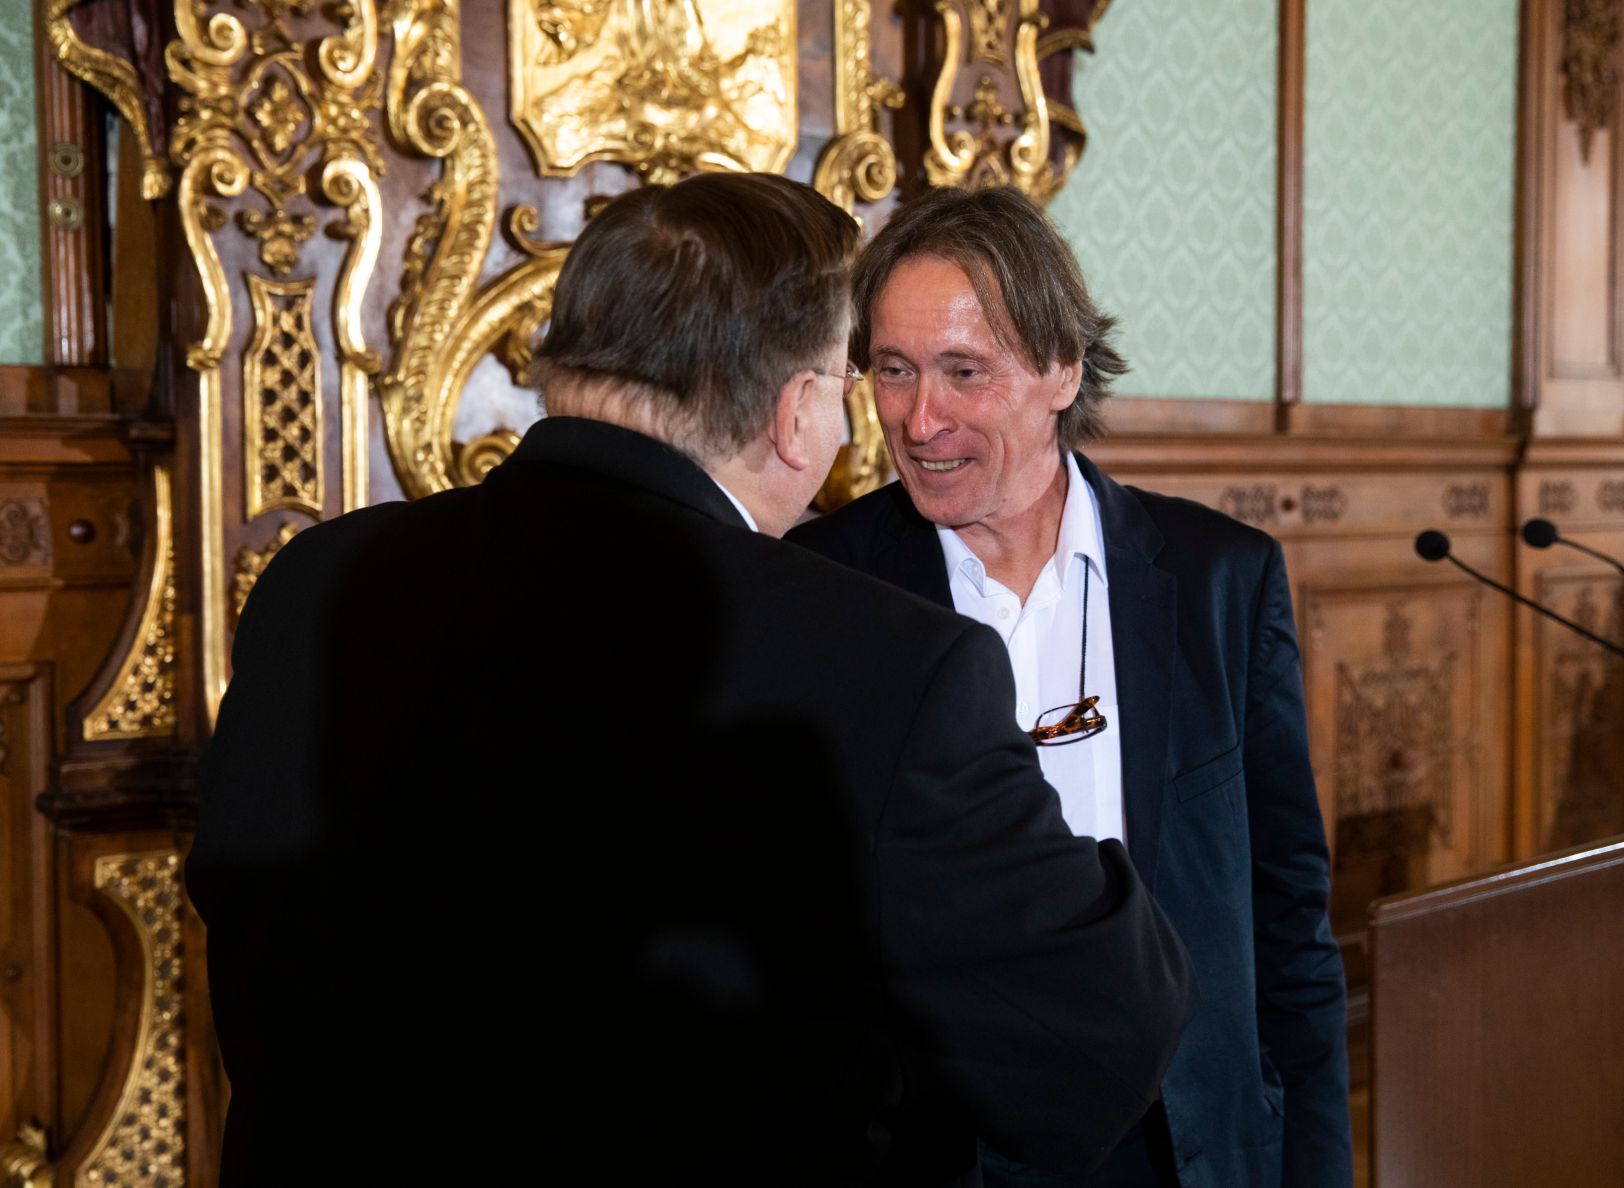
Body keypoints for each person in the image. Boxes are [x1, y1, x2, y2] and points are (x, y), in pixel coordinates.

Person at [185, 172, 1194, 1187]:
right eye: (859, 384)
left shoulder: (312, 581)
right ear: (795, 413)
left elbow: (247, 926)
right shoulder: (884, 662)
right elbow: (1095, 1038)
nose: (864, 430)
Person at [789, 185, 1350, 1188]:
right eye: (892, 371)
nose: (921, 419)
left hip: (1184, 1145)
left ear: (1059, 368)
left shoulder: (1220, 579)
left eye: (964, 372)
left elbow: (1285, 922)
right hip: (940, 1150)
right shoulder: (825, 585)